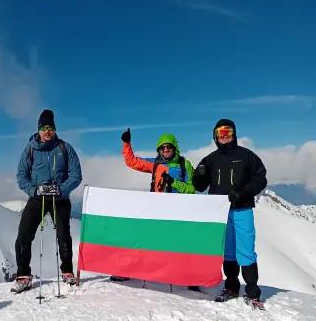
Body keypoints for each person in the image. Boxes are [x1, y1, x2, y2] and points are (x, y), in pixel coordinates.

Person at [192, 118, 267, 307]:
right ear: (215, 136)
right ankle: (231, 288)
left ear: (234, 134)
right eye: (221, 133)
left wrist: (244, 192)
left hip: (242, 209)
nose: (225, 136)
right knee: (228, 252)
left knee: (246, 251)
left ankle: (253, 293)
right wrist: (199, 175)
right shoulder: (210, 159)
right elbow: (199, 186)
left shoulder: (247, 156)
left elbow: (260, 179)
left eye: (228, 132)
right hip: (221, 213)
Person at [112, 128, 198, 288]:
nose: (166, 150)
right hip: (156, 210)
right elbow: (132, 162)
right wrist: (126, 144)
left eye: (169, 147)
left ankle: (190, 278)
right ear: (159, 149)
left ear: (174, 148)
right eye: (163, 147)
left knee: (181, 244)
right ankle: (128, 271)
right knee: (142, 239)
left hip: (178, 211)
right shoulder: (155, 163)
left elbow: (192, 189)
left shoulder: (184, 164)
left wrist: (173, 183)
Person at [11, 109, 82, 293]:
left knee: (64, 236)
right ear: (38, 129)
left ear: (55, 129)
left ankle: (67, 272)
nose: (47, 131)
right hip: (37, 198)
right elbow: (21, 176)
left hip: (60, 198)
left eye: (50, 127)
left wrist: (61, 189)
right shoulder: (30, 149)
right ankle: (23, 276)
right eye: (43, 128)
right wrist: (34, 190)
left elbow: (76, 175)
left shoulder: (65, 148)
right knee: (23, 237)